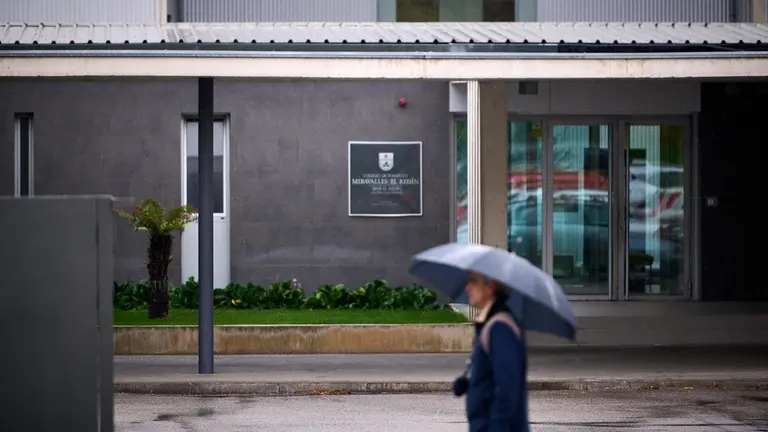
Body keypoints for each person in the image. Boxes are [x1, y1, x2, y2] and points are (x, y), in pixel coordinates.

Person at [452, 272, 529, 432]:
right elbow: (491, 377)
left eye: (473, 282)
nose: (467, 288)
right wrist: (470, 384)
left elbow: (507, 388)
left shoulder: (500, 328)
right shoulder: (489, 323)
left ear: (491, 286)